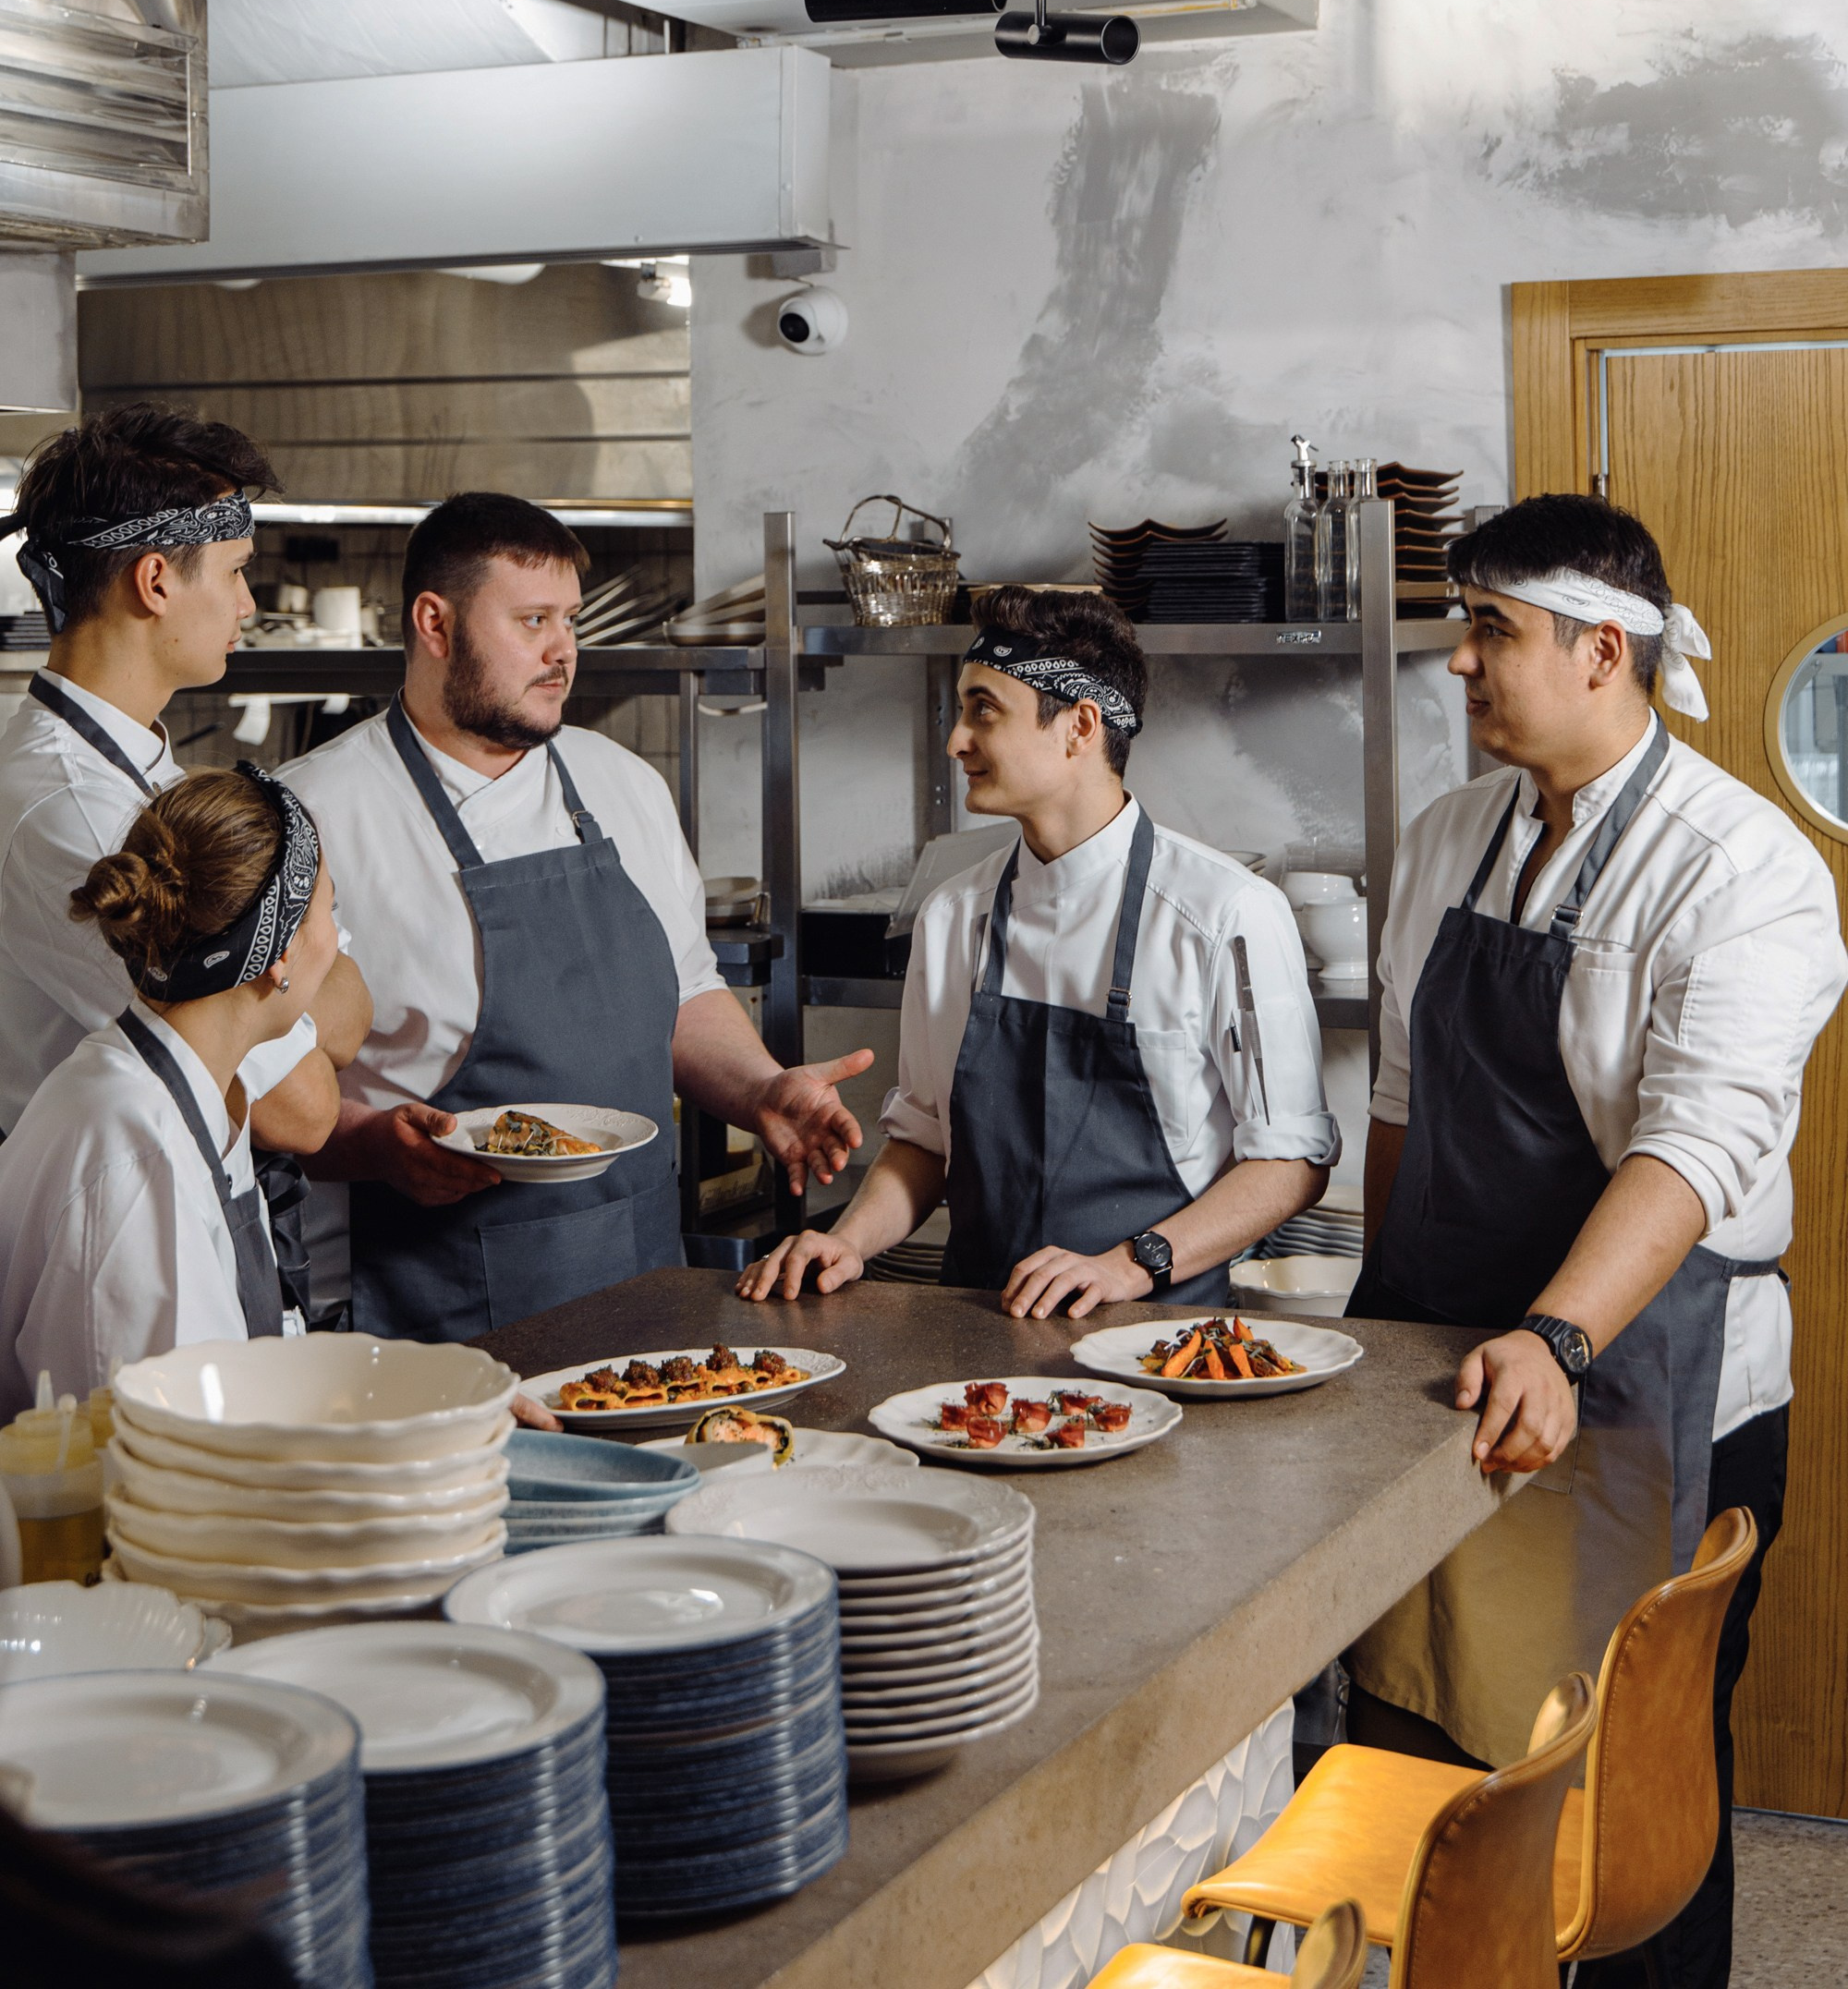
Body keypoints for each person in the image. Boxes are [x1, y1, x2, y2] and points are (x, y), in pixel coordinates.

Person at [1347, 494, 1847, 1989]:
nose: (1459, 663)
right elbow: (1398, 1104)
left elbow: (1694, 1145)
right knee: (1435, 1747)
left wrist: (1560, 1335)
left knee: (1630, 1782)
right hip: (1452, 1371)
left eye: (1489, 628)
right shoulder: (1448, 837)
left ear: (1602, 649)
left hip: (1652, 1380)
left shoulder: (1743, 867)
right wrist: (1384, 1321)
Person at [286, 492, 872, 1340]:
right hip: (426, 1305)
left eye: (570, 620)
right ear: (434, 623)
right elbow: (254, 1076)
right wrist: (374, 1145)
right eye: (531, 621)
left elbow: (685, 993)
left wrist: (761, 1091)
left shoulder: (622, 784)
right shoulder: (313, 814)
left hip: (635, 1279)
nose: (562, 652)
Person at [739, 586, 1338, 1314]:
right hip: (969, 1341)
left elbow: (1290, 1162)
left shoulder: (1226, 913)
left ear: (1080, 726)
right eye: (960, 711)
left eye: (983, 710)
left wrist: (1131, 1265)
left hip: (1161, 1341)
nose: (958, 740)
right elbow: (925, 1140)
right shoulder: (954, 916)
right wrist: (851, 1242)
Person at [0, 406, 370, 1314]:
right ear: (156, 579)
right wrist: (303, 982)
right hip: (119, 1251)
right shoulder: (70, 812)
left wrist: (288, 1003)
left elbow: (352, 1007)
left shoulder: (150, 768)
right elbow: (305, 1106)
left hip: (206, 1217)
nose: (248, 604)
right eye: (240, 573)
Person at [0, 765, 337, 1413]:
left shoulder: (192, 1090)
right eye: (330, 909)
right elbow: (172, 1453)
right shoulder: (137, 1155)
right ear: (281, 958)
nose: (337, 942)